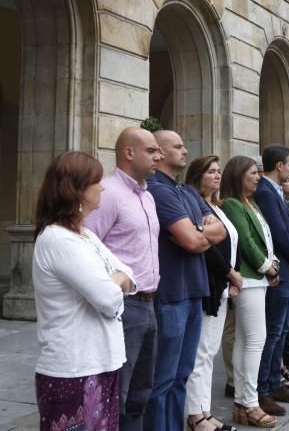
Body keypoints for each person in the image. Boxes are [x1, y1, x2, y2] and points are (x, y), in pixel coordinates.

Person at [33, 152, 135, 431]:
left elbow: (130, 274)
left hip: (102, 360)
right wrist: (115, 281)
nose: (102, 187)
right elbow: (107, 297)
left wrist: (112, 280)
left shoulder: (86, 236)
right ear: (76, 189)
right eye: (96, 181)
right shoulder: (57, 239)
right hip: (73, 368)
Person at [145, 131, 226, 431]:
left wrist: (197, 232)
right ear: (160, 153)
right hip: (171, 292)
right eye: (177, 146)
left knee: (183, 374)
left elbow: (220, 231)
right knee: (163, 377)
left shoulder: (188, 192)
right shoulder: (157, 189)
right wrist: (199, 233)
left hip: (195, 289)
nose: (185, 149)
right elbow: (193, 241)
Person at [85, 127, 161, 430]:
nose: (159, 155)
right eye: (151, 150)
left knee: (141, 393)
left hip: (151, 304)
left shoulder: (148, 196)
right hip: (123, 308)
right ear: (129, 153)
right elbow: (88, 247)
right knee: (118, 391)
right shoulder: (108, 194)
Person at [185, 155, 243, 431]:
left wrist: (235, 274)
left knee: (210, 349)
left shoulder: (217, 208)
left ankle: (204, 410)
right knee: (202, 351)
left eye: (219, 171)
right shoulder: (195, 206)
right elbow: (207, 248)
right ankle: (196, 414)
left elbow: (232, 241)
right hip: (209, 282)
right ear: (197, 176)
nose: (217, 176)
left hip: (223, 285)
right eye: (210, 171)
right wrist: (231, 274)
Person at [221, 156, 279, 429]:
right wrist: (268, 267)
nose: (257, 177)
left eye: (257, 173)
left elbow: (263, 238)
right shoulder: (233, 204)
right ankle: (249, 402)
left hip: (259, 279)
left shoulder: (251, 203)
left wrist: (272, 263)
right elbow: (245, 241)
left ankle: (243, 402)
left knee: (248, 340)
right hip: (250, 278)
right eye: (252, 173)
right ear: (237, 176)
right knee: (254, 340)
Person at [254, 145, 289, 416]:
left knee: (282, 329)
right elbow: (277, 231)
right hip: (282, 270)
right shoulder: (265, 191)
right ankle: (263, 389)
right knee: (273, 331)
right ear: (279, 166)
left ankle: (275, 381)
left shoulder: (275, 191)